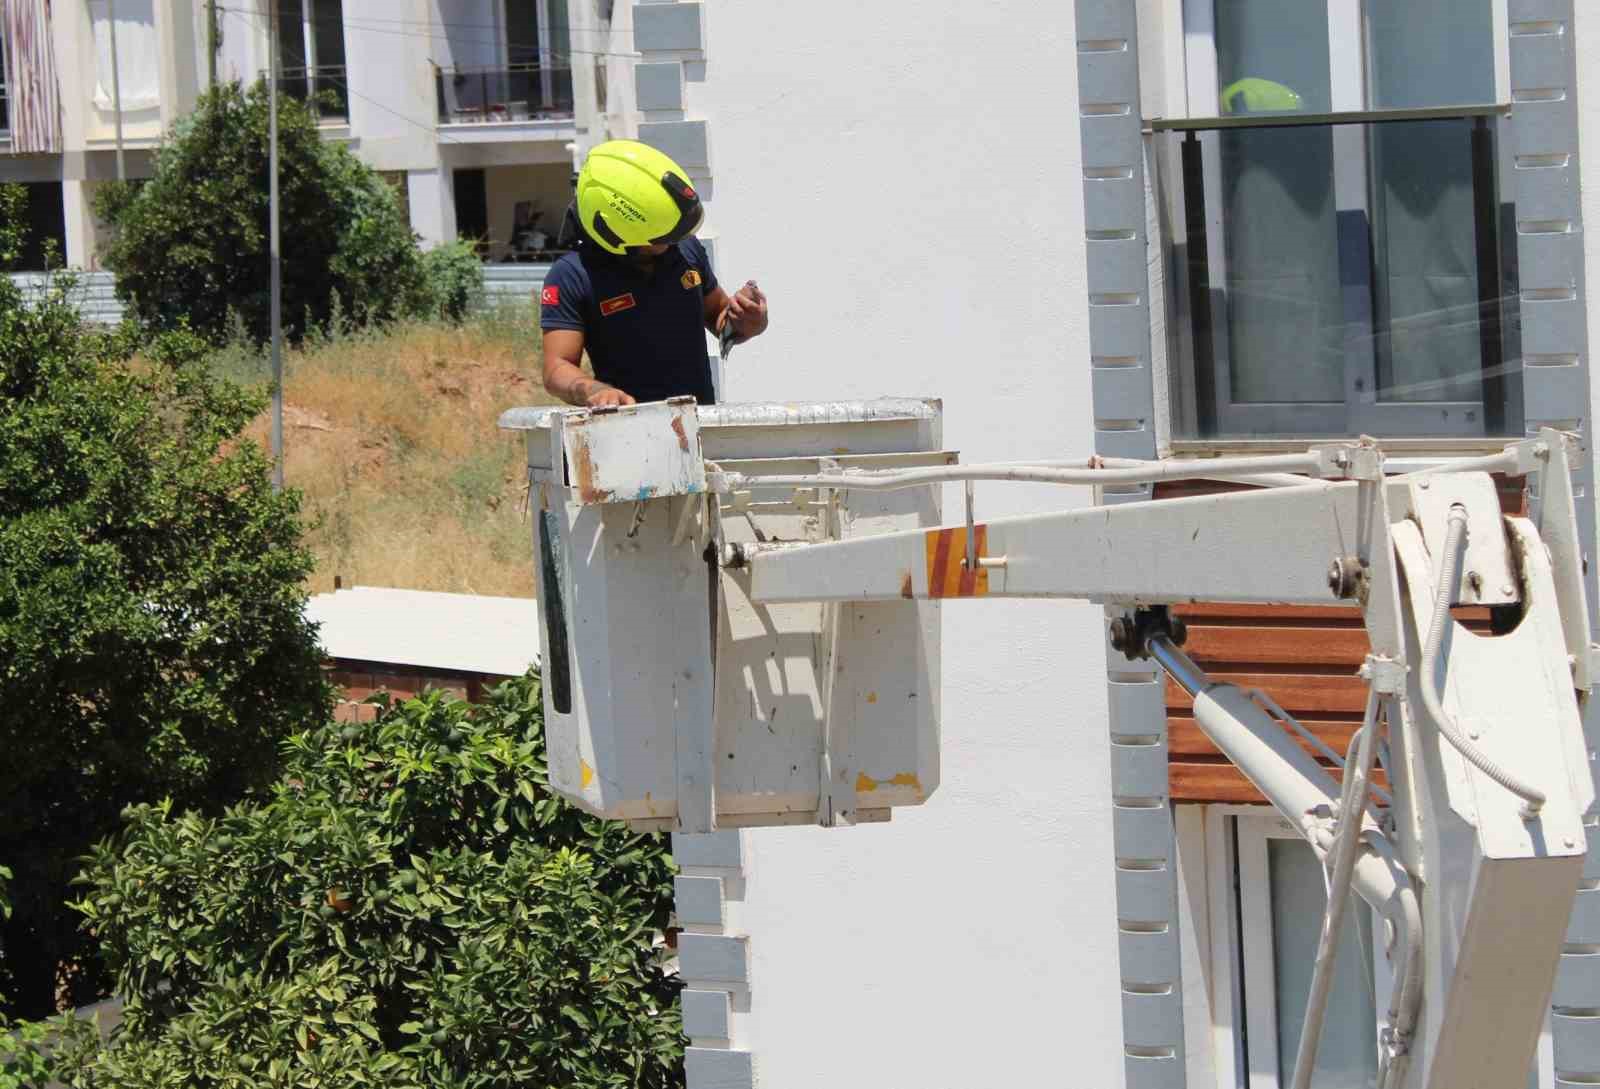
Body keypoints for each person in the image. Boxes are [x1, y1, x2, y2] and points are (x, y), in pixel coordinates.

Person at [539, 140, 769, 408]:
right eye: (662, 237)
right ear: (616, 234)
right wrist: (593, 390)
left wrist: (748, 322)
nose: (673, 242)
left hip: (696, 429)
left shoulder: (686, 251)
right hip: (626, 431)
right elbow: (557, 367)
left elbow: (719, 317)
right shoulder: (573, 276)